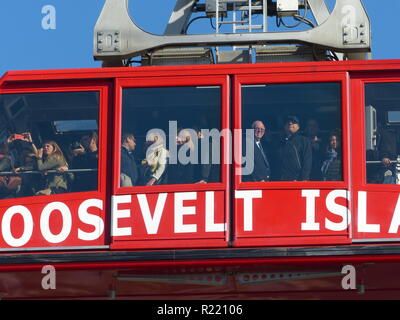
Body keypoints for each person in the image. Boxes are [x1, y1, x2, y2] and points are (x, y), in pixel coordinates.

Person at [278, 116, 312, 181]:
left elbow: (307, 161)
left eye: (293, 122)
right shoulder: (280, 142)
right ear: (284, 127)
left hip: (297, 180)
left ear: (298, 127)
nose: (290, 123)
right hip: (282, 181)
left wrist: (304, 179)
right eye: (287, 122)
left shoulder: (304, 140)